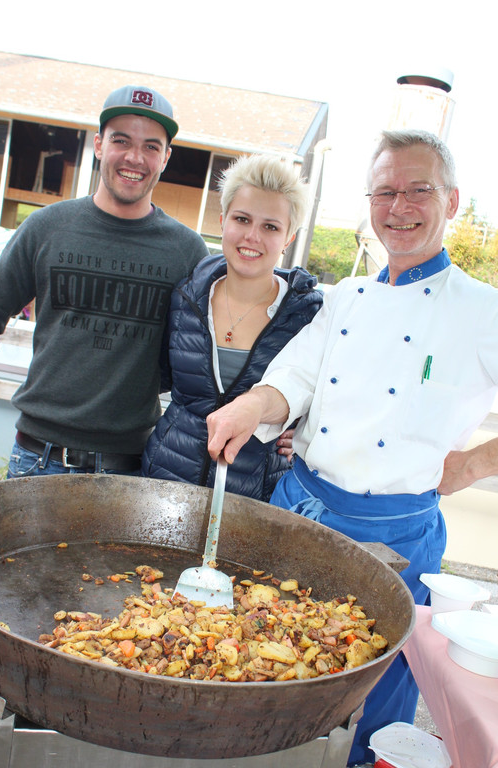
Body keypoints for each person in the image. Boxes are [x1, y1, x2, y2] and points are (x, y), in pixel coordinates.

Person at [205, 129, 498, 766]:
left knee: (373, 693)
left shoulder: (483, 310)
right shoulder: (346, 297)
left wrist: (476, 463)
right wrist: (252, 405)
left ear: (451, 200)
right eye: (384, 192)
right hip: (300, 511)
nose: (399, 206)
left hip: (395, 535)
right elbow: (294, 379)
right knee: (263, 663)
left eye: (418, 190)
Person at [0, 84, 209, 479]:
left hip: (126, 471)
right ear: (98, 145)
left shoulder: (187, 251)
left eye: (150, 146)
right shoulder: (46, 228)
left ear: (166, 157)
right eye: (121, 140)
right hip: (36, 460)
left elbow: (204, 355)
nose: (134, 157)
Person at [141, 154, 322, 500]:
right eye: (242, 219)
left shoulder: (310, 315)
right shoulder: (185, 297)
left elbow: (329, 398)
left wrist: (306, 430)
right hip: (165, 481)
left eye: (271, 227)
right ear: (223, 220)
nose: (252, 236)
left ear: (288, 238)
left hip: (255, 497)